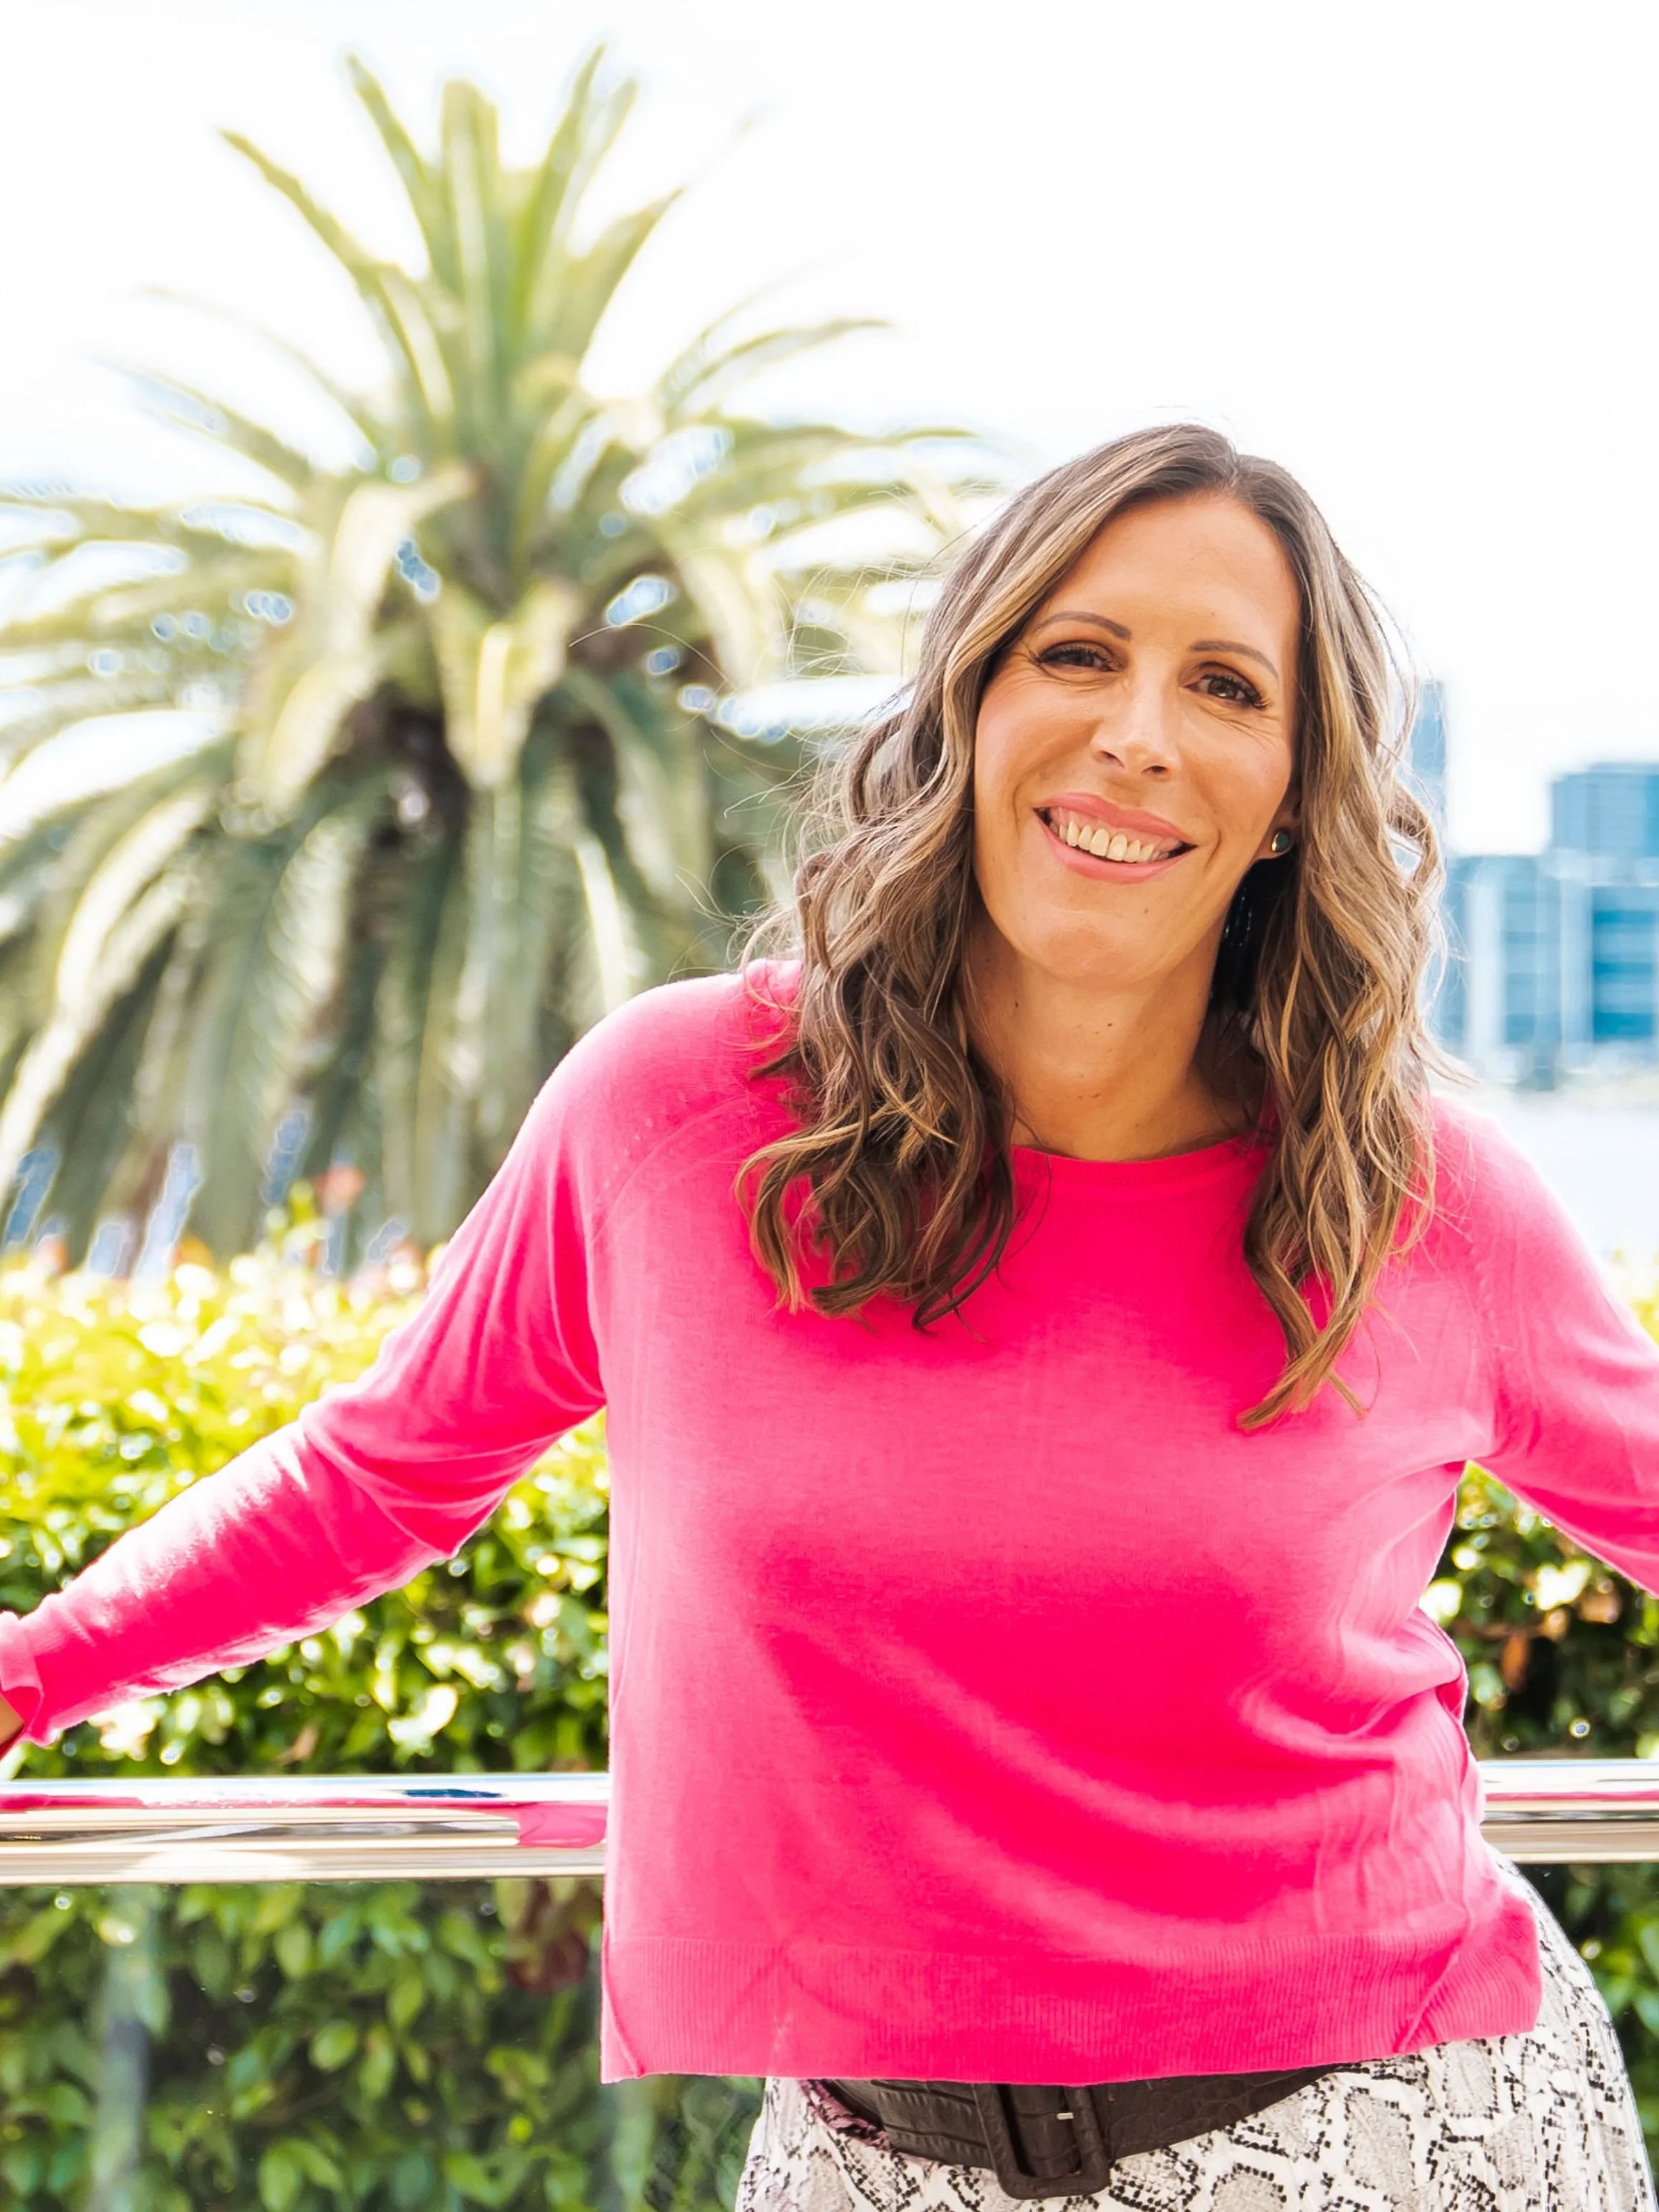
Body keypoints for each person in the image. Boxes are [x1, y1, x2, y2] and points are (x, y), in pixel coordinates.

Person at [2, 421, 1655, 2212]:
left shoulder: (1417, 1197)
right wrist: (29, 1673)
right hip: (868, 2166)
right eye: (1077, 652)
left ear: (1286, 796)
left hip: (1403, 2135)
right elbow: (382, 1471)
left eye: (1227, 685)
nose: (1138, 736)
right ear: (964, 700)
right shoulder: (676, 1113)